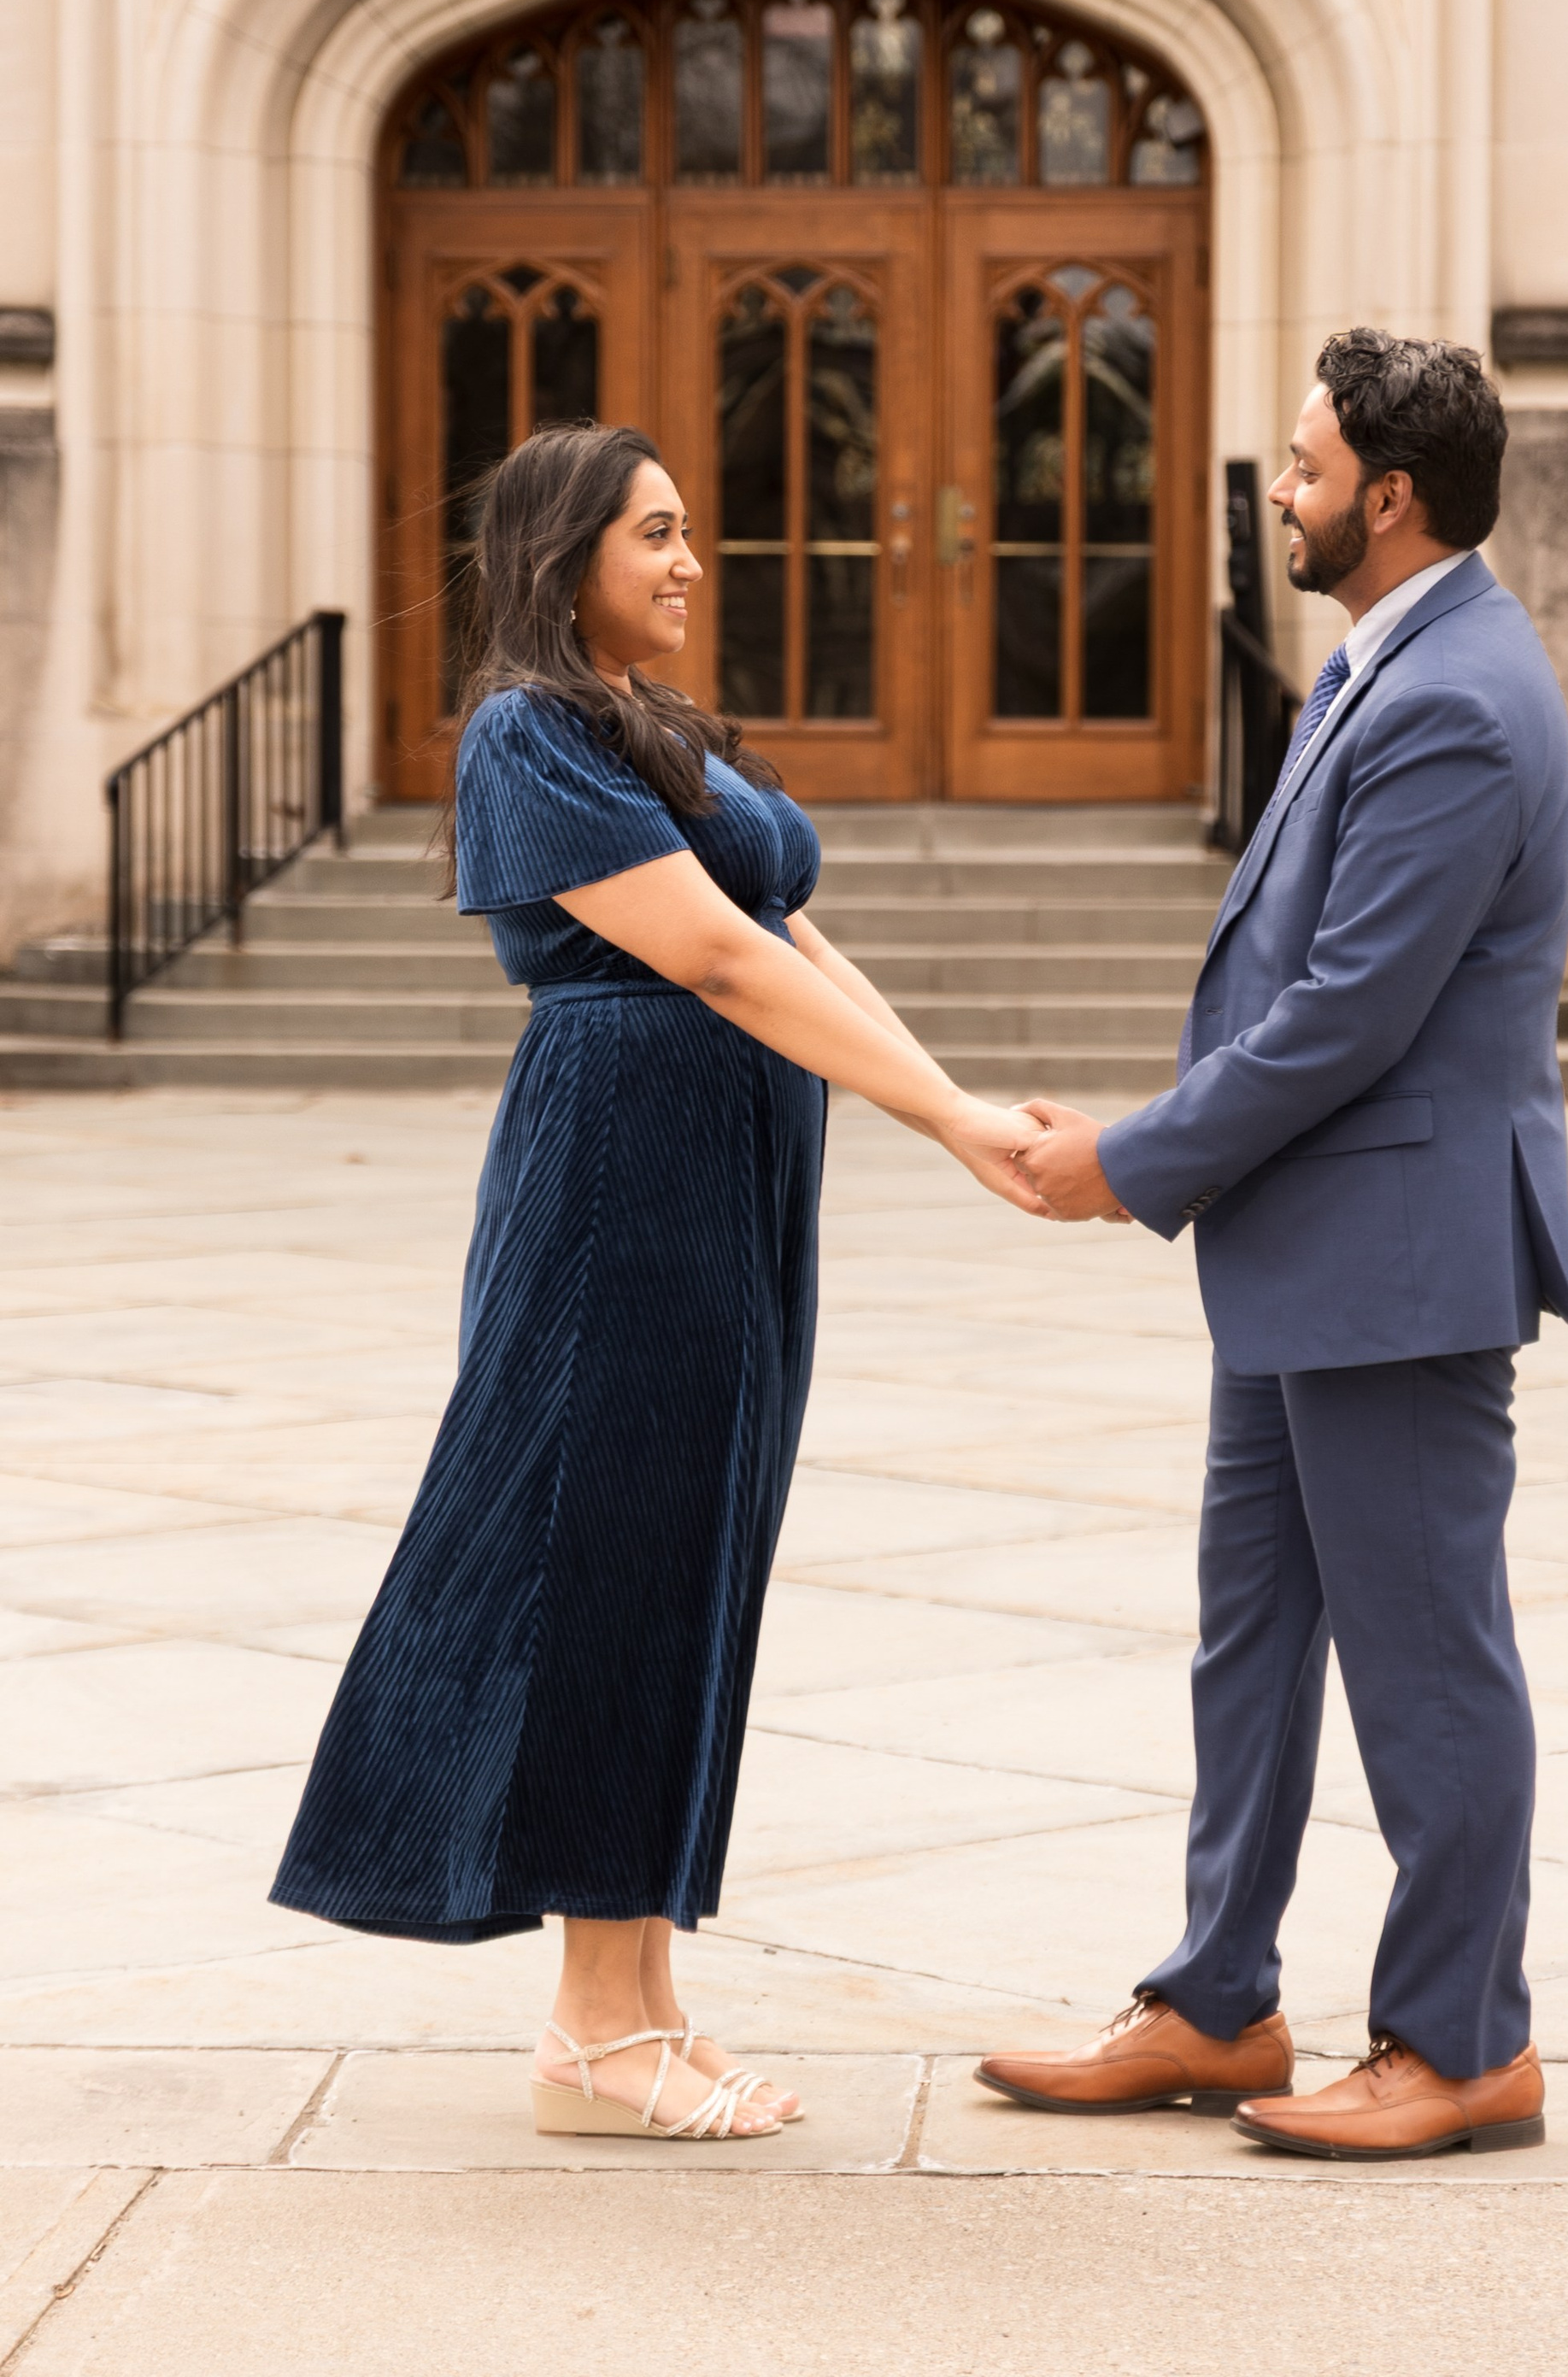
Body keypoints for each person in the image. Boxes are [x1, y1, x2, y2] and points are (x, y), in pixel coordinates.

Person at [273, 423, 1043, 2143]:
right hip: (625, 1165)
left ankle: (638, 1999)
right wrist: (945, 1115)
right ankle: (589, 2025)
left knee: (687, 1553)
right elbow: (702, 952)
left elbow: (786, 938)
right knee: (611, 1554)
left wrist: (957, 1119)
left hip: (732, 1167)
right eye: (659, 536)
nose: (692, 562)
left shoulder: (664, 733)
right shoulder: (526, 730)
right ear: (567, 559)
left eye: (691, 533)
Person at [985, 329, 1568, 2160]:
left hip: (1396, 1258)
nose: (1278, 486)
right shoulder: (1380, 663)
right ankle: (1214, 2002)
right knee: (1248, 1641)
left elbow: (1345, 1013)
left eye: (1304, 465)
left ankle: (1460, 2043)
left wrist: (1131, 1161)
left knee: (1425, 1659)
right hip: (1304, 1246)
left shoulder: (1455, 699)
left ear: (1386, 498)